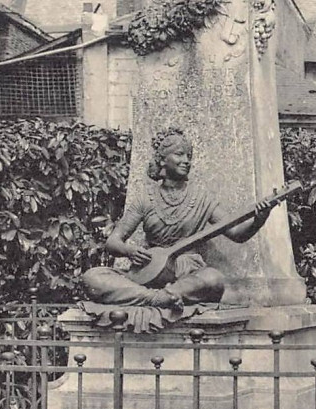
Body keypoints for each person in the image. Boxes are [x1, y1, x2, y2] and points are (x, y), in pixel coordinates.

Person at [82, 127, 273, 322]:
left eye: (189, 156)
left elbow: (236, 233)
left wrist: (260, 218)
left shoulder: (201, 198)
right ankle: (158, 298)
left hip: (186, 274)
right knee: (93, 277)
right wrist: (129, 251)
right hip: (148, 272)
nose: (186, 161)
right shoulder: (145, 198)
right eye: (179, 154)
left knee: (213, 279)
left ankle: (158, 296)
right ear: (163, 160)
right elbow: (113, 242)